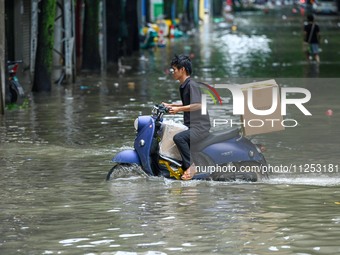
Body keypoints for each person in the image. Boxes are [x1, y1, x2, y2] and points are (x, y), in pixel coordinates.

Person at [163, 55, 211, 180]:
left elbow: (198, 104)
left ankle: (191, 166)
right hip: (192, 126)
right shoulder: (184, 85)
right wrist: (170, 105)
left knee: (178, 138)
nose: (173, 72)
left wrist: (178, 109)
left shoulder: (191, 85)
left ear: (182, 69)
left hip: (200, 127)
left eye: (174, 69)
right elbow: (187, 104)